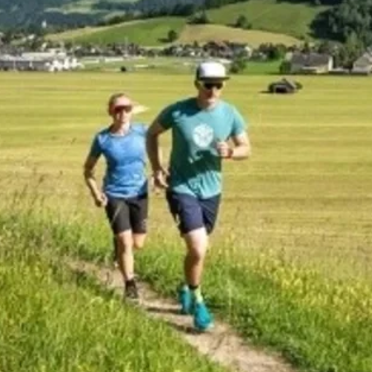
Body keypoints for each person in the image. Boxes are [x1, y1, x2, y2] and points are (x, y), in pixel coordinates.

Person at [145, 60, 250, 332]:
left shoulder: (230, 114)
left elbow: (246, 147)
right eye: (208, 85)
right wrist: (157, 168)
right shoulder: (178, 111)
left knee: (199, 250)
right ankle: (198, 300)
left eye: (218, 85)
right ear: (196, 84)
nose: (213, 90)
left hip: (212, 190)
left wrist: (231, 153)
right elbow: (151, 133)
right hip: (181, 187)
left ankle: (185, 285)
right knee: (198, 247)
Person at [83, 92, 150, 302]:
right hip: (114, 194)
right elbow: (88, 170)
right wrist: (96, 193)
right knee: (125, 240)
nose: (122, 113)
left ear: (132, 111)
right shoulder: (103, 139)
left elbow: (157, 149)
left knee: (137, 243)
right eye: (118, 109)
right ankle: (130, 285)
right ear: (111, 112)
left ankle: (118, 249)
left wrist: (159, 172)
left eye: (127, 109)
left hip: (140, 193)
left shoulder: (142, 131)